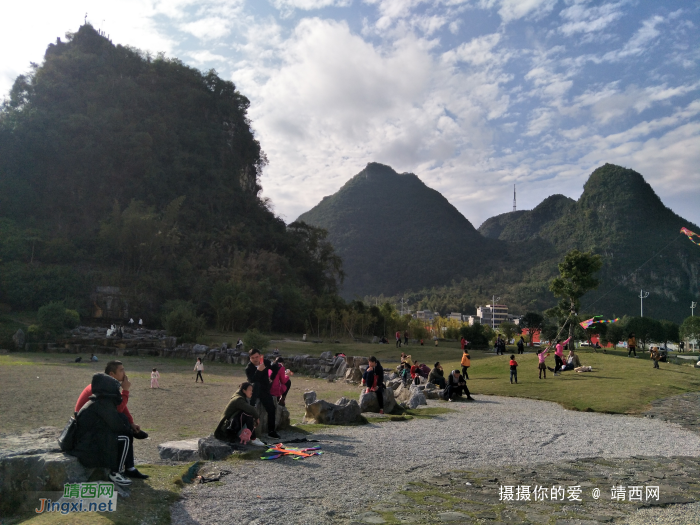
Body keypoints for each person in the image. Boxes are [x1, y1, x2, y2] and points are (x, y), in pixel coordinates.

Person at [74, 361, 149, 479]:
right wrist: (126, 391)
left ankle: (130, 468)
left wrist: (131, 422)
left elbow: (119, 406)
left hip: (99, 420)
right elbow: (117, 409)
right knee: (125, 432)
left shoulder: (106, 385)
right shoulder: (101, 389)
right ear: (112, 374)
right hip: (90, 428)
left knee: (126, 424)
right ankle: (120, 471)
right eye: (121, 370)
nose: (124, 373)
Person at [70, 373, 134, 486]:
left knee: (114, 437)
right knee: (125, 439)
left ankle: (116, 470)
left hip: (83, 442)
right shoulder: (102, 404)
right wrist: (127, 427)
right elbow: (117, 425)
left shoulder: (96, 401)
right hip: (87, 449)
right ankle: (116, 473)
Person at [214, 382, 265, 446]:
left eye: (252, 390)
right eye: (250, 390)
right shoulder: (238, 399)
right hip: (224, 431)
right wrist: (257, 418)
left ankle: (251, 437)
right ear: (244, 390)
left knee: (245, 412)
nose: (252, 392)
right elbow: (251, 409)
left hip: (228, 426)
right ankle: (253, 439)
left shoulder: (239, 395)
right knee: (247, 413)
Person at [245, 349, 280, 439]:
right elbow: (252, 380)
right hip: (254, 392)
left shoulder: (265, 362)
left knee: (271, 408)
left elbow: (275, 367)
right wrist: (259, 371)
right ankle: (251, 432)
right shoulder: (248, 368)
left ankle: (271, 431)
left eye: (257, 357)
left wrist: (271, 378)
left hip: (265, 390)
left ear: (260, 356)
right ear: (250, 358)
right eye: (252, 358)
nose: (255, 359)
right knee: (256, 384)